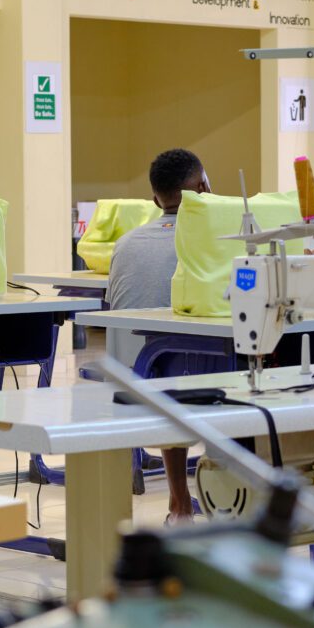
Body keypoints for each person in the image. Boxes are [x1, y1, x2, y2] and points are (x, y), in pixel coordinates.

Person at [105, 147, 209, 522]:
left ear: (154, 198)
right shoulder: (214, 241)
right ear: (204, 187)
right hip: (194, 377)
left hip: (130, 373)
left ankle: (179, 502)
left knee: (171, 363)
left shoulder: (126, 243)